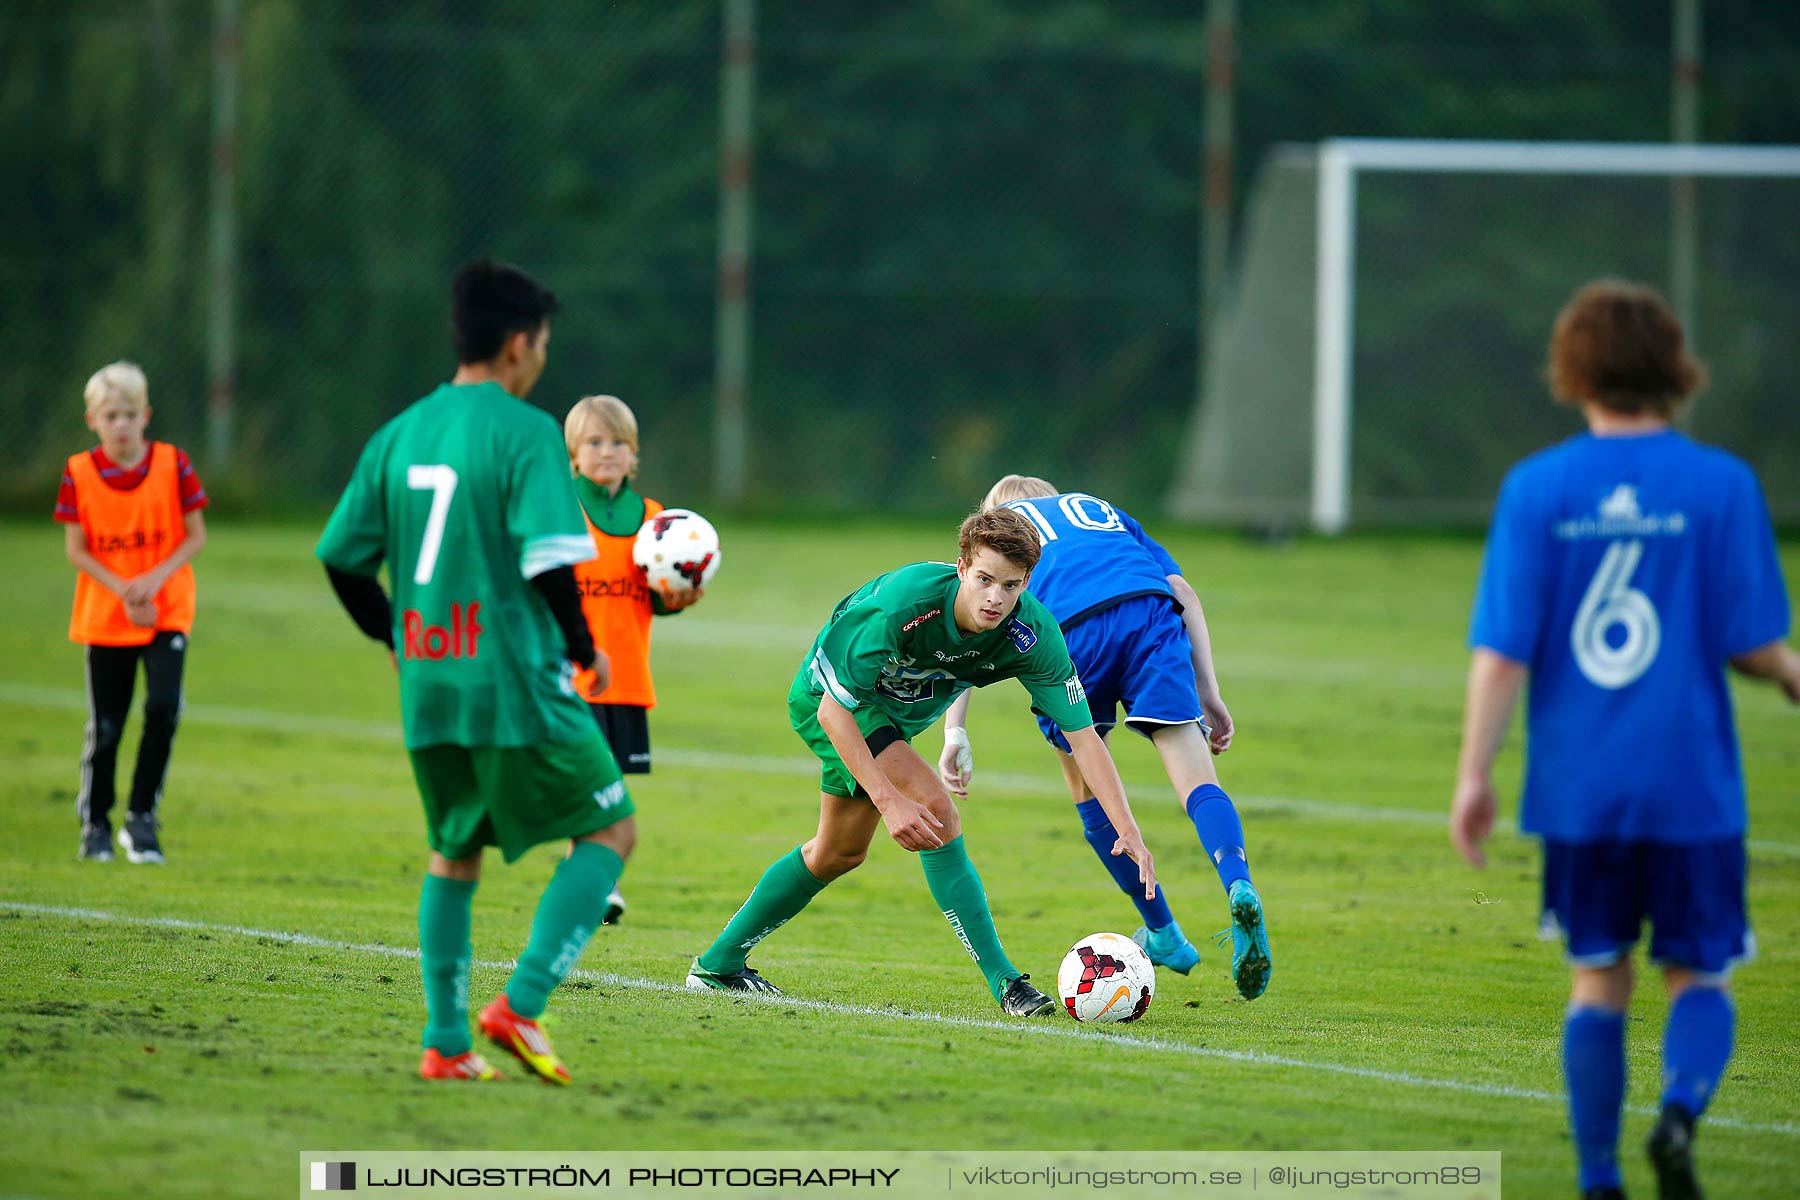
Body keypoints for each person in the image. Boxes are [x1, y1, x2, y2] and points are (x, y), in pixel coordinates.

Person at [1450, 280, 1798, 1200]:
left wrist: (1474, 775)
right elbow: (1752, 645)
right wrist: (1795, 676)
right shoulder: (1722, 485)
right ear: (1676, 370)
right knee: (1700, 975)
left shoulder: (1537, 488)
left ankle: (1600, 1180)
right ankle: (1679, 1112)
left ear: (1574, 371)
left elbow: (1501, 654)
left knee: (1598, 981)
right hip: (1692, 788)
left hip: (1580, 791)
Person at [316, 259, 638, 1085]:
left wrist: (396, 636)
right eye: (542, 344)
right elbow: (548, 563)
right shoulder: (525, 431)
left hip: (429, 680)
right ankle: (520, 1007)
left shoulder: (400, 431)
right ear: (518, 344)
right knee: (610, 828)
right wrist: (581, 647)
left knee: (452, 853)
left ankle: (446, 1043)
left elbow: (343, 559)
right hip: (515, 680)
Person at [685, 506, 1157, 1015]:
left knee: (837, 853)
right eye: (984, 579)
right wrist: (890, 802)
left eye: (1011, 585)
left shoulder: (1032, 635)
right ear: (961, 567)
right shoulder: (901, 605)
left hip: (892, 720)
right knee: (937, 809)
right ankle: (1007, 985)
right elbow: (831, 712)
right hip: (835, 703)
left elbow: (1083, 737)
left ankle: (717, 967)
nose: (996, 597)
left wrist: (1126, 826)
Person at [941, 477, 1272, 1001]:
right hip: (1148, 611)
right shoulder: (1099, 508)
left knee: (1087, 788)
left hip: (1070, 630)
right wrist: (1209, 692)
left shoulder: (1003, 536)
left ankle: (1163, 932)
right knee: (1194, 774)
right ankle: (1237, 881)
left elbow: (964, 629)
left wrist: (954, 729)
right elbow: (1183, 592)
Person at [57, 361, 209, 865]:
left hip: (166, 610)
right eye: (110, 415)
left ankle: (141, 818)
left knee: (163, 708)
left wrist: (152, 581)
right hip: (107, 614)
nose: (120, 425)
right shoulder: (79, 473)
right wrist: (124, 589)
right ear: (92, 421)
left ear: (146, 416)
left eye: (129, 414)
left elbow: (195, 535)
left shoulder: (172, 463)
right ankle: (96, 824)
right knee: (107, 724)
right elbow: (77, 550)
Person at [563, 393, 701, 926]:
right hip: (572, 679)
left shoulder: (653, 520)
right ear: (574, 453)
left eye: (618, 442)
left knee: (608, 785)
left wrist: (677, 598)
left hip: (627, 678)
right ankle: (598, 882)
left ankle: (588, 881)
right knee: (593, 788)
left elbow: (655, 600)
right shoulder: (560, 508)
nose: (606, 452)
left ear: (634, 452)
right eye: (594, 442)